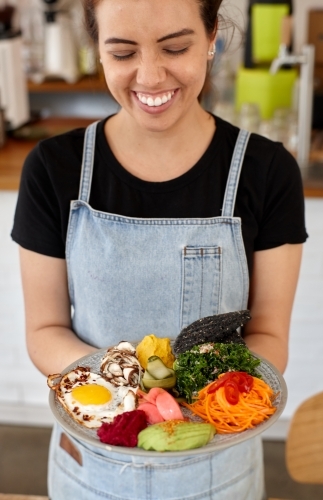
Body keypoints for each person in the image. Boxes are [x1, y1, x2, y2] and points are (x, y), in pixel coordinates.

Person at [11, 0, 307, 498]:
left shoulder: (266, 171)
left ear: (212, 35)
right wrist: (130, 389)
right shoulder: (53, 169)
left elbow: (270, 337)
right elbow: (45, 331)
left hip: (219, 471)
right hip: (91, 467)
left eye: (175, 47)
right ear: (98, 51)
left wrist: (191, 399)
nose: (149, 76)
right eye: (123, 52)